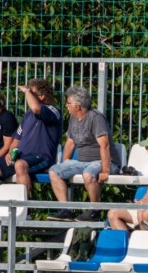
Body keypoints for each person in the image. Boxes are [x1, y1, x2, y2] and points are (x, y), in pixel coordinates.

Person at [48, 86, 121, 222]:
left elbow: (104, 145)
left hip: (103, 161)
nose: (66, 106)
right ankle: (66, 210)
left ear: (78, 105)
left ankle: (94, 210)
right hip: (82, 162)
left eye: (69, 103)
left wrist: (105, 170)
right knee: (54, 171)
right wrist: (66, 162)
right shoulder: (73, 118)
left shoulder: (95, 118)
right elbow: (70, 142)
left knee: (88, 174)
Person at [0, 80, 62, 195]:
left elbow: (36, 108)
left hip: (42, 158)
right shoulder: (28, 115)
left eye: (31, 92)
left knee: (20, 164)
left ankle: (22, 208)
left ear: (41, 96)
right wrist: (11, 153)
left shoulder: (53, 111)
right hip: (20, 157)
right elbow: (16, 140)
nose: (27, 94)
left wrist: (26, 90)